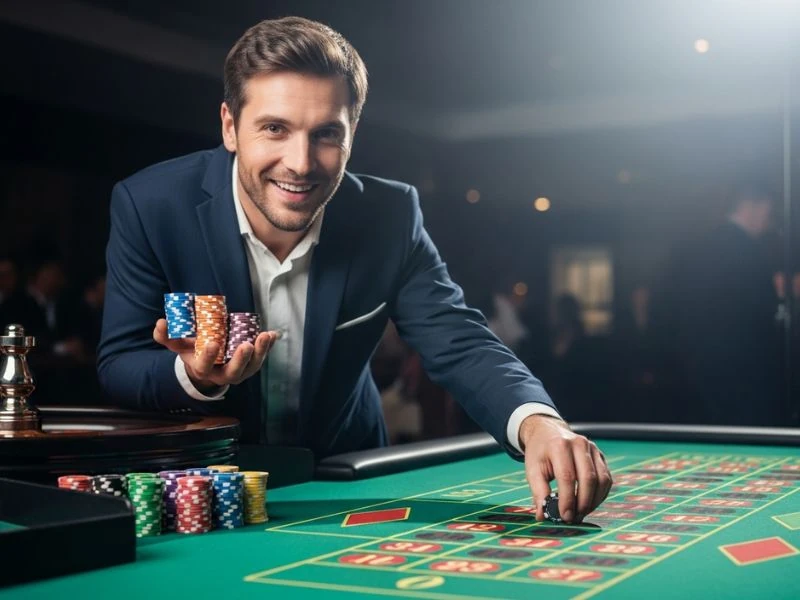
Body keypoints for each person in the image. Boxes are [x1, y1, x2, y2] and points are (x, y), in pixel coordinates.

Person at [98, 16, 612, 524]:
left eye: (325, 134)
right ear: (231, 127)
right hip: (208, 487)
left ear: (352, 134)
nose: (300, 163)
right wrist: (194, 376)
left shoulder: (389, 216)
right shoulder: (151, 205)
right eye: (274, 128)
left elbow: (458, 339)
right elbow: (119, 363)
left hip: (347, 479)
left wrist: (537, 422)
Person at [661, 183, 782, 426]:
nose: (769, 222)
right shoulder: (746, 249)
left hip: (700, 366)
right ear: (751, 206)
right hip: (742, 369)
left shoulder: (703, 244)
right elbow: (762, 309)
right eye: (769, 212)